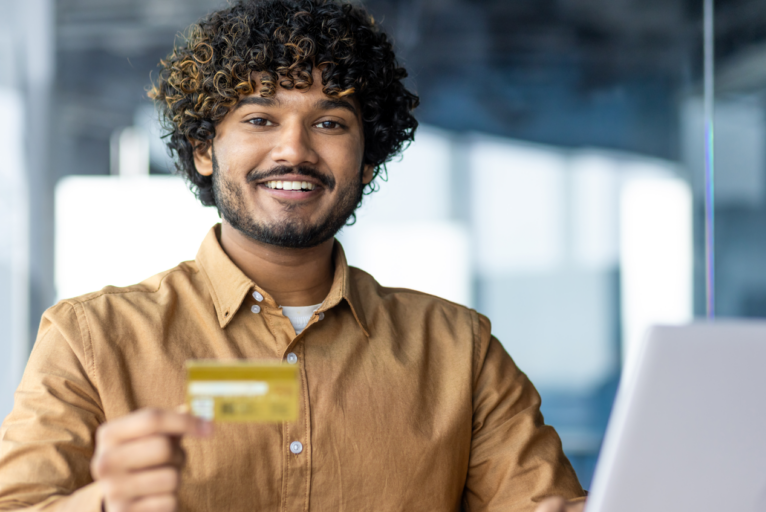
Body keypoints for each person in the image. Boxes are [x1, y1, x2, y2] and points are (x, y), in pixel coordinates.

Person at [0, 1, 588, 510]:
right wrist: (104, 504)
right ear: (204, 150)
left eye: (329, 122)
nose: (295, 149)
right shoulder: (91, 340)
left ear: (367, 161)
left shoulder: (461, 351)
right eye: (260, 118)